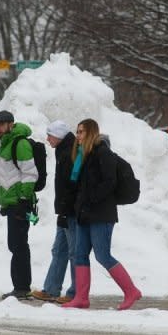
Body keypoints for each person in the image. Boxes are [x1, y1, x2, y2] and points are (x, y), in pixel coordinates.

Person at [62, 118, 142, 310]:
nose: (78, 136)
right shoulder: (83, 155)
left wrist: (91, 199)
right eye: (77, 131)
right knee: (80, 254)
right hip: (84, 213)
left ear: (91, 133)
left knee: (103, 255)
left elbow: (109, 182)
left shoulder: (103, 152)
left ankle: (131, 291)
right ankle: (81, 298)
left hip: (101, 214)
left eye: (81, 132)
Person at [0, 110, 38, 301]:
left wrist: (23, 200)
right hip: (12, 204)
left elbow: (30, 174)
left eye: (2, 125)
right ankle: (19, 286)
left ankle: (22, 287)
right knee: (15, 244)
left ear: (11, 124)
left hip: (20, 204)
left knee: (19, 245)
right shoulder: (6, 145)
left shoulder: (20, 143)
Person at [31, 120, 77, 304]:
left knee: (74, 253)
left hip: (71, 212)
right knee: (59, 250)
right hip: (64, 211)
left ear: (58, 135)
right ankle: (51, 289)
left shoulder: (69, 154)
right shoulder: (62, 151)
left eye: (50, 134)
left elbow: (71, 186)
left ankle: (75, 293)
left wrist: (66, 211)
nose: (47, 138)